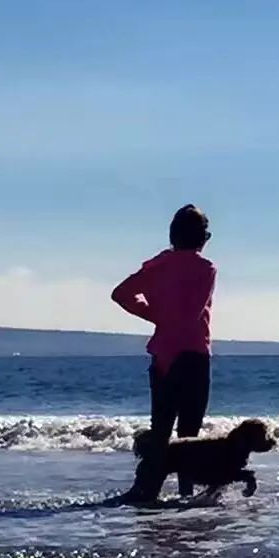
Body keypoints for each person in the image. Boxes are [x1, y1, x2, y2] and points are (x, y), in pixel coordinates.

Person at [112, 205, 216, 504]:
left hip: (162, 354)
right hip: (193, 354)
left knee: (161, 431)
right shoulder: (205, 268)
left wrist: (156, 315)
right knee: (189, 432)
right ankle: (186, 496)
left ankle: (148, 491)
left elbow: (121, 294)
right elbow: (192, 314)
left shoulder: (158, 265)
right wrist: (167, 318)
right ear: (203, 238)